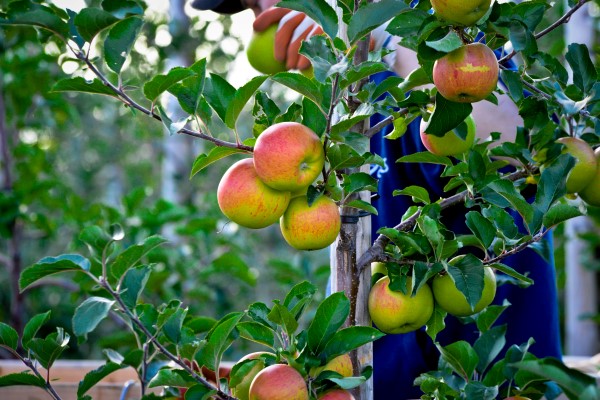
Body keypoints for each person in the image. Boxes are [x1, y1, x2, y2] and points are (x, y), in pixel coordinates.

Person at [190, 1, 563, 398]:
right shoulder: (328, 123)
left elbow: (514, 145)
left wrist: (378, 35)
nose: (262, 12)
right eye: (249, 6)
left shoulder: (438, 42)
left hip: (497, 383)